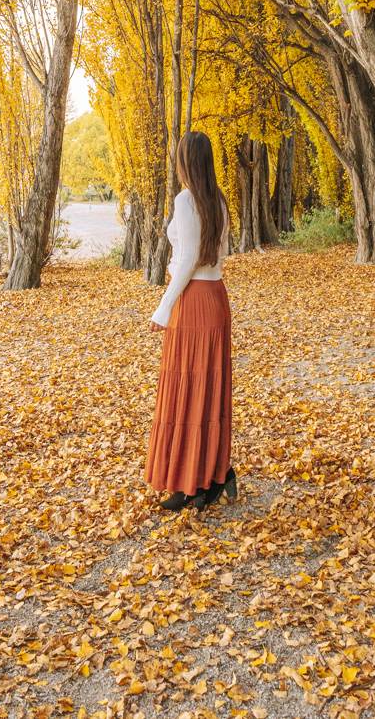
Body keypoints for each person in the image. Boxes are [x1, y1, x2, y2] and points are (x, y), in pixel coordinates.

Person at [145, 130, 237, 512]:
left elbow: (185, 262)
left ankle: (192, 483)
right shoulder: (218, 200)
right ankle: (212, 477)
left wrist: (163, 308)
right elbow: (219, 253)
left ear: (186, 162)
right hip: (216, 298)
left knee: (187, 390)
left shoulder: (186, 201)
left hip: (193, 301)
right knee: (208, 392)